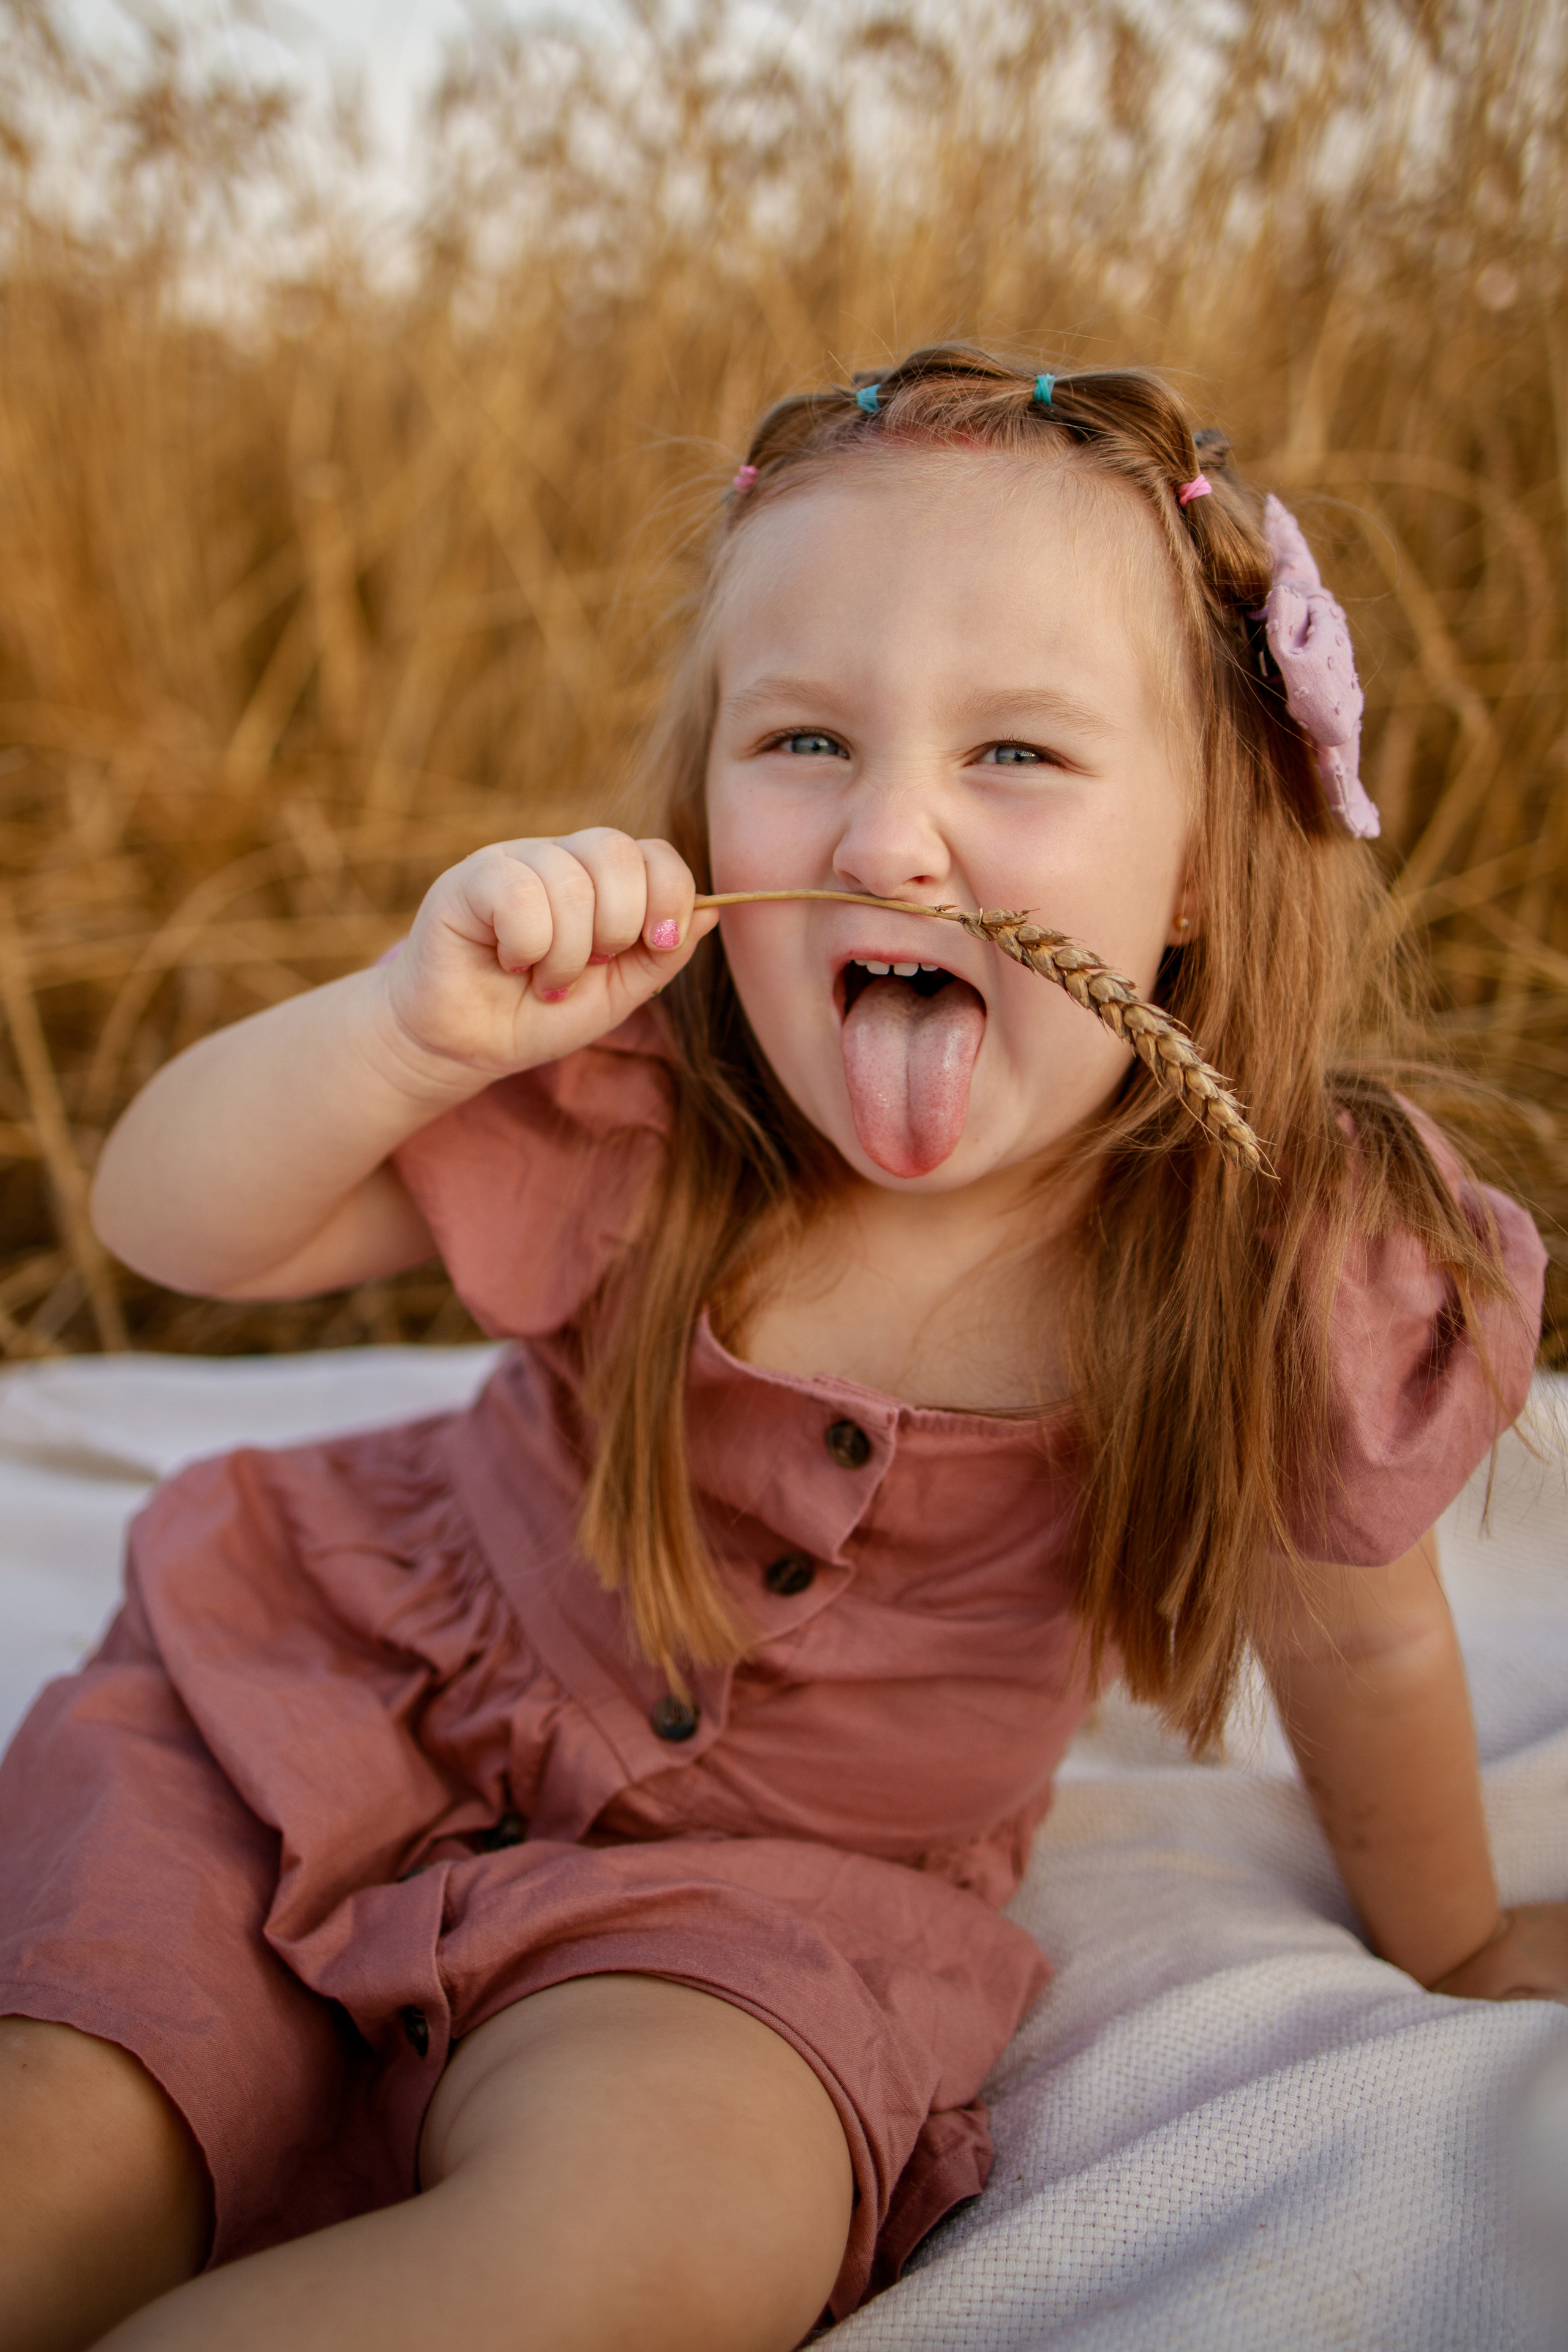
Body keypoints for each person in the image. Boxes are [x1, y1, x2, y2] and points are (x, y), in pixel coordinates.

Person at [0, 345, 1561, 2352]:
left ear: (1190, 867)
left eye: (1017, 755)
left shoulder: (1260, 1250)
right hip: (320, 1704)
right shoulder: (649, 1098)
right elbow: (171, 1223)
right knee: (55, 2147)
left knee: (644, 2245)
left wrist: (1452, 1934)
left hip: (755, 1906)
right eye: (807, 741)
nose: (890, 843)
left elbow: (1362, 1636)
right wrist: (400, 1029)